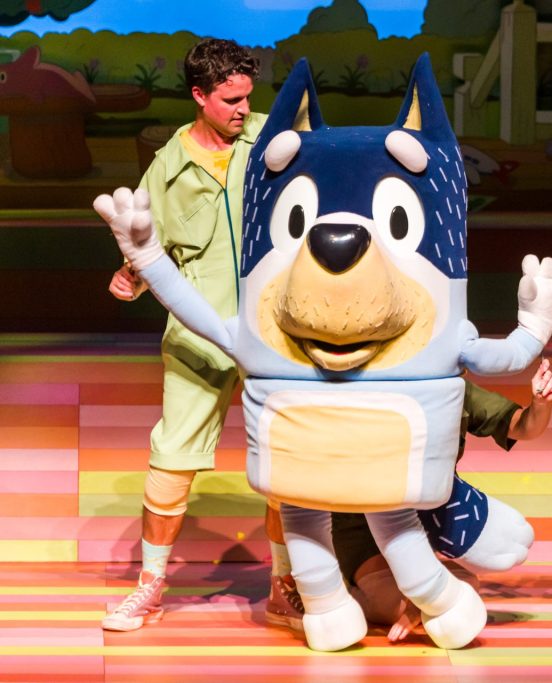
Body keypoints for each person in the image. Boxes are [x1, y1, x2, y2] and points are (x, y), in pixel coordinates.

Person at [99, 38, 301, 632]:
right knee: (172, 455)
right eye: (230, 100)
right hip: (198, 333)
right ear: (199, 95)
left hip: (276, 329)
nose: (243, 109)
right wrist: (129, 278)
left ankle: (284, 585)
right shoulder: (167, 167)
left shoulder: (274, 138)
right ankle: (150, 587)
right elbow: (145, 245)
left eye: (248, 97)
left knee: (287, 460)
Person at [331, 359, 552, 642]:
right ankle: (339, 590)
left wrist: (541, 403)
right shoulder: (367, 387)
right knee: (396, 603)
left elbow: (522, 427)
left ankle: (421, 591)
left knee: (465, 583)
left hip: (420, 520)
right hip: (362, 525)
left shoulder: (452, 386)